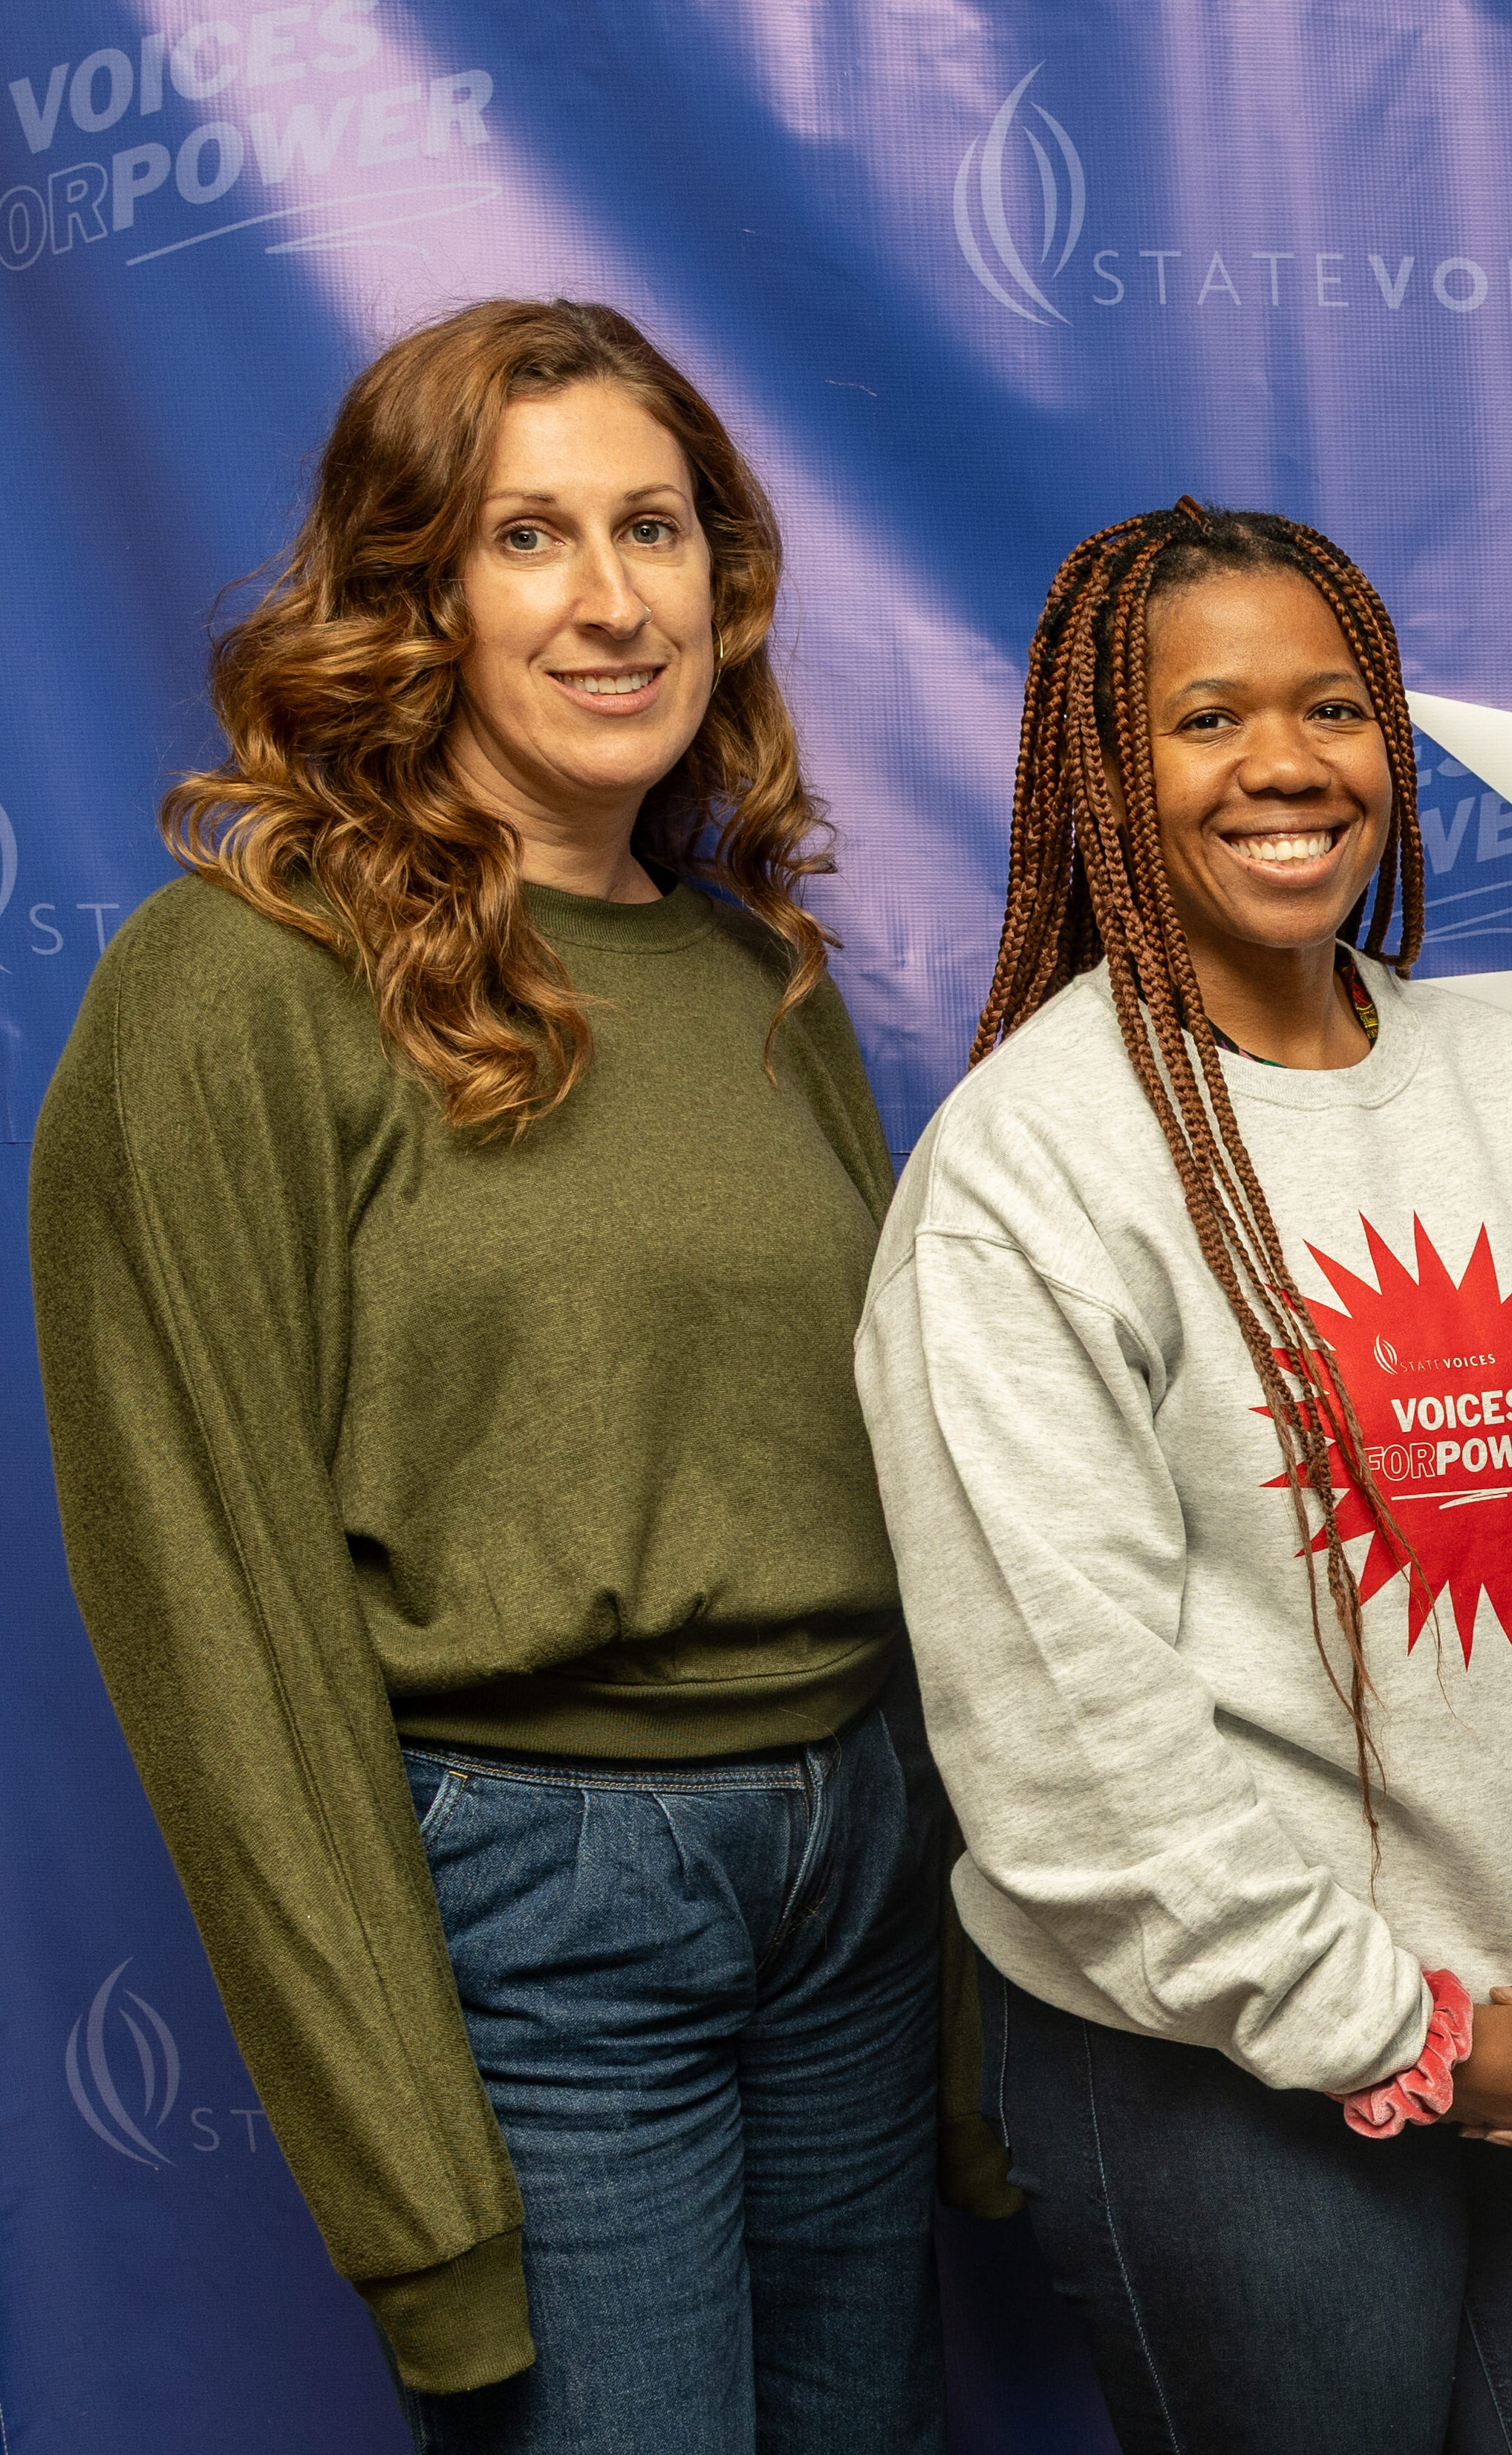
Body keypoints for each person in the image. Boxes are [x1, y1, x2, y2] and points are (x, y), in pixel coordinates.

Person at [28, 298, 970, 2445]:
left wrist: (965, 2013)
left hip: (853, 1883)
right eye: (528, 536)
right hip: (543, 1897)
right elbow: (212, 1610)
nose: (612, 598)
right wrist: (417, 2200)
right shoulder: (239, 986)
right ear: (415, 594)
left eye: (655, 527)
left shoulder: (760, 978)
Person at [854, 501, 1512, 2455]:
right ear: (1106, 771)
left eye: (1332, 707)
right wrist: (1396, 2028)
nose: (1286, 765)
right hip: (1226, 2075)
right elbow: (1064, 1730)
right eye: (1207, 718)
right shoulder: (1033, 1165)